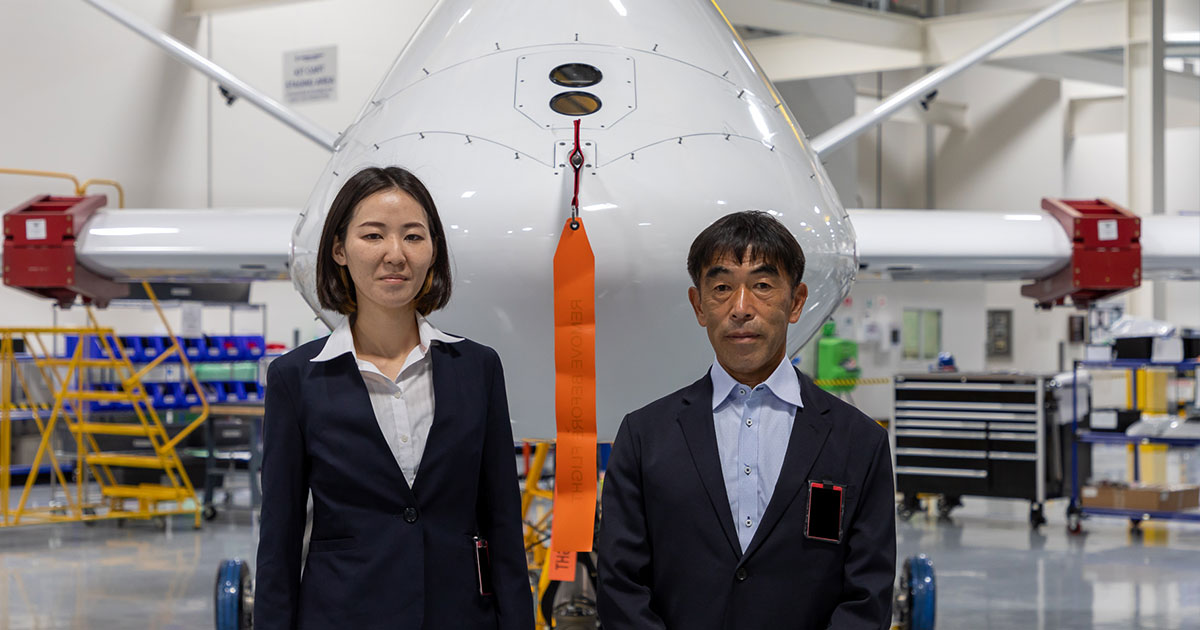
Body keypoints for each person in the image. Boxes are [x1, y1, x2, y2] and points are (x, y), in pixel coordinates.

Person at [255, 166, 534, 630]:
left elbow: (503, 523)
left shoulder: (478, 368)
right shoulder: (296, 379)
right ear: (339, 250)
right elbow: (279, 539)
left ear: (433, 250)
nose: (395, 254)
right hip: (342, 617)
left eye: (413, 236)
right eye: (373, 235)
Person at [597, 211, 895, 630]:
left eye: (762, 286)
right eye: (721, 288)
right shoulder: (645, 437)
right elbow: (620, 583)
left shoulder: (859, 442)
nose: (741, 308)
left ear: (796, 301)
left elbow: (868, 595)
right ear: (699, 305)